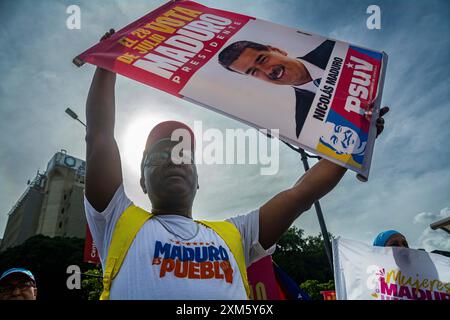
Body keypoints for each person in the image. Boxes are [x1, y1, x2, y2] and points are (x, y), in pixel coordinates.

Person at [84, 29, 388, 300]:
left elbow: (302, 194)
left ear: (198, 180)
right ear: (142, 182)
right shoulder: (116, 219)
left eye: (183, 155)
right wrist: (107, 63)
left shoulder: (235, 235)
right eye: (160, 155)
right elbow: (99, 136)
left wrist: (356, 137)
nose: (174, 160)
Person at [218, 39, 335, 138]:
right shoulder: (305, 123)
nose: (268, 71)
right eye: (254, 72)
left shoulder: (334, 47)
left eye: (262, 59)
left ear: (277, 50)